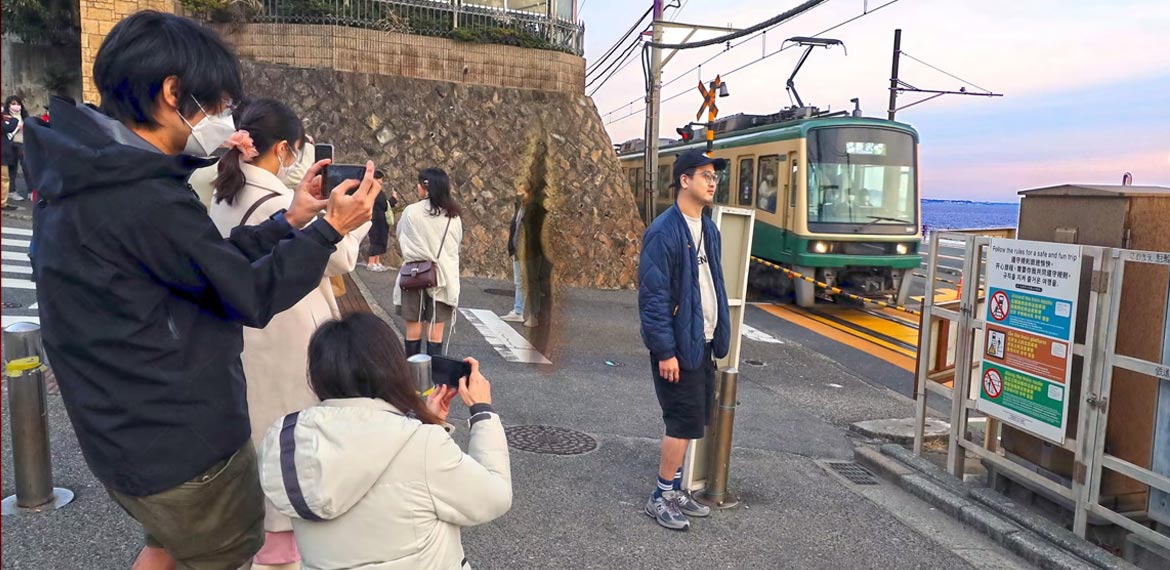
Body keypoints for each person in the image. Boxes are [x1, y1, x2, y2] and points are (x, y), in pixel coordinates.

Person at [22, 11, 379, 570]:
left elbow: (201, 268)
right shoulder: (142, 196)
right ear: (172, 92)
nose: (219, 119)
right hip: (182, 450)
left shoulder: (84, 173)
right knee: (216, 553)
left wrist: (289, 223)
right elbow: (249, 295)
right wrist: (330, 230)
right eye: (214, 104)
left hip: (120, 434)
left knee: (167, 546)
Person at [207, 99, 371, 570]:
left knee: (258, 453)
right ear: (283, 149)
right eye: (296, 150)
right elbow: (338, 260)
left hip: (243, 342)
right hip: (286, 339)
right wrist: (350, 221)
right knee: (287, 473)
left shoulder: (221, 191)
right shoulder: (278, 201)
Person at [257, 313, 511, 570]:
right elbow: (494, 496)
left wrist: (425, 427)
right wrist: (482, 412)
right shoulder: (420, 445)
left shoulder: (285, 441)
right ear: (392, 368)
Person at [637, 149, 732, 531]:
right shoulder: (663, 231)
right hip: (677, 346)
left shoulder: (709, 229)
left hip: (702, 340)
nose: (712, 182)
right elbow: (653, 296)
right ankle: (660, 496)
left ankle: (675, 490)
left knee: (694, 420)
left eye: (714, 176)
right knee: (680, 421)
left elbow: (713, 284)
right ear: (684, 180)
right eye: (705, 175)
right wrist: (665, 351)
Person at [393, 168, 463, 357]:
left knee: (413, 327)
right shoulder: (453, 216)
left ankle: (413, 374)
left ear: (426, 188)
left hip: (414, 274)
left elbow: (401, 236)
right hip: (442, 277)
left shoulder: (410, 212)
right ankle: (434, 377)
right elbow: (454, 245)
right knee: (435, 331)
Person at [365, 170, 398, 272]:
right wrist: (393, 199)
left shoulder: (374, 190)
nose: (381, 181)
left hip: (379, 219)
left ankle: (376, 261)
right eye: (380, 179)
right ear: (375, 178)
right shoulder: (374, 191)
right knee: (375, 240)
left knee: (380, 240)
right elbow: (384, 205)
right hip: (375, 219)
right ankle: (371, 263)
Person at [499, 193, 525, 322]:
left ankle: (524, 311)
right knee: (519, 282)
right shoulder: (521, 207)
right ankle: (518, 310)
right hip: (518, 250)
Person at [3, 95, 30, 202]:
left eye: (18, 104)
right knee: (12, 169)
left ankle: (31, 191)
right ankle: (12, 191)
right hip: (11, 144)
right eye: (13, 104)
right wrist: (16, 127)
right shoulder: (5, 116)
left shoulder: (24, 116)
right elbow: (7, 129)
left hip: (24, 144)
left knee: (27, 168)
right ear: (8, 105)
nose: (16, 106)